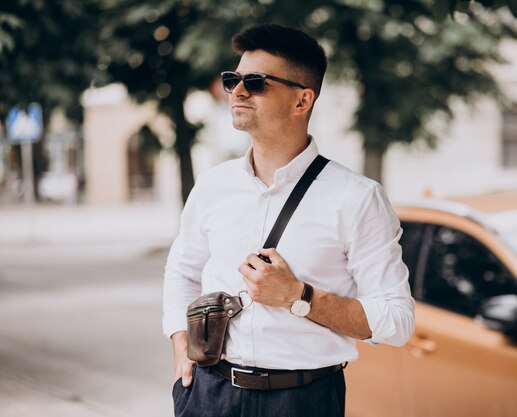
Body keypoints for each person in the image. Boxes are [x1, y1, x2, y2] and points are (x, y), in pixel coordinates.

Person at [162, 23, 415, 417]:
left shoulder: (357, 199)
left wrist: (299, 297)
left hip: (302, 400)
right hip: (208, 394)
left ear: (302, 101)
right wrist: (180, 342)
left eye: (257, 83)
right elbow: (183, 269)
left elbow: (397, 321)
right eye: (234, 80)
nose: (238, 91)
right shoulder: (213, 185)